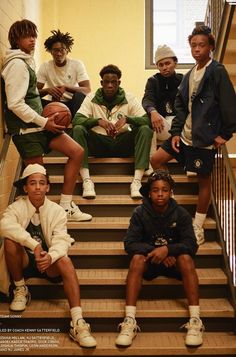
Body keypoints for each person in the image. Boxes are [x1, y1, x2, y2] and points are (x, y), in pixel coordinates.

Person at [150, 25, 236, 245]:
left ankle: (197, 226)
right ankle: (174, 208)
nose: (197, 49)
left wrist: (225, 134)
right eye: (194, 45)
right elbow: (181, 105)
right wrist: (176, 132)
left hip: (204, 138)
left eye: (202, 45)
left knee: (203, 180)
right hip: (185, 135)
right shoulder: (189, 74)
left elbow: (229, 103)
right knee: (156, 160)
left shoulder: (216, 71)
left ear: (210, 47)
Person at [1, 19, 91, 222]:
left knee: (77, 152)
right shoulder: (16, 65)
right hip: (28, 133)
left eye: (34, 35)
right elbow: (15, 104)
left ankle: (66, 206)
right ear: (16, 39)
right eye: (27, 36)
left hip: (40, 127)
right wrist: (44, 121)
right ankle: (42, 222)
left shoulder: (25, 61)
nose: (32, 39)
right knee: (39, 183)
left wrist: (44, 122)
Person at [0, 164, 96, 348]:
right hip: (25, 262)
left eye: (42, 183)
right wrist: (34, 245)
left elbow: (62, 240)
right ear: (25, 187)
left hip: (49, 264)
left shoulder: (57, 211)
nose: (37, 187)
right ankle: (20, 289)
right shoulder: (15, 207)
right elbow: (4, 226)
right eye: (32, 183)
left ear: (48, 187)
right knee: (10, 241)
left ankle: (78, 322)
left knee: (65, 260)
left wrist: (50, 257)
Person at [115, 170, 204, 348]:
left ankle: (195, 321)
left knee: (186, 258)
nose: (160, 194)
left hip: (174, 263)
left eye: (165, 189)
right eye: (156, 190)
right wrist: (157, 252)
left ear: (171, 192)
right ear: (149, 192)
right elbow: (129, 244)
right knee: (136, 260)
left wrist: (168, 250)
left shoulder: (181, 213)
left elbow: (191, 245)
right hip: (150, 262)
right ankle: (129, 321)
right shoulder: (140, 213)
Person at [72, 64, 153, 199]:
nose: (110, 85)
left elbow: (146, 120)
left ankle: (136, 182)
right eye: (107, 82)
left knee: (144, 129)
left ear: (119, 83)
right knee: (78, 129)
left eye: (113, 82)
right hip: (99, 143)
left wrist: (128, 119)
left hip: (122, 143)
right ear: (101, 83)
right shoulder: (91, 97)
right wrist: (97, 121)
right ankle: (87, 181)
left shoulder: (129, 97)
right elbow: (77, 119)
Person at [142, 45, 183, 175]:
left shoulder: (183, 80)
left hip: (179, 125)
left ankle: (190, 163)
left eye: (167, 63)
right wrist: (153, 112)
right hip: (161, 124)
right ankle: (150, 161)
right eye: (160, 65)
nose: (164, 67)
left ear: (175, 63)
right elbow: (147, 99)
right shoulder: (153, 81)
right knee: (146, 118)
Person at [37, 29, 91, 118]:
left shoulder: (77, 64)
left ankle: (77, 123)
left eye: (62, 50)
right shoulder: (45, 66)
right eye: (55, 50)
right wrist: (48, 90)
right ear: (51, 51)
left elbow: (87, 90)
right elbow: (34, 92)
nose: (59, 53)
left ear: (67, 51)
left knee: (80, 95)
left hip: (72, 104)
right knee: (33, 98)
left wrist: (66, 88)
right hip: (53, 105)